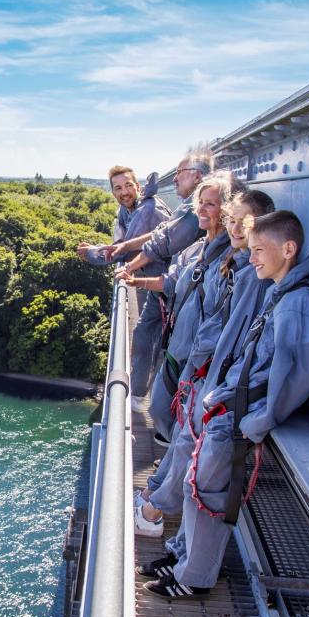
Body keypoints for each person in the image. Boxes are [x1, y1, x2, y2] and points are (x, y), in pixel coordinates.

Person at [142, 212, 309, 600]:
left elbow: (305, 370)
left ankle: (193, 578)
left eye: (260, 250)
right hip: (230, 406)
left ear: (289, 249)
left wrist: (263, 418)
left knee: (206, 493)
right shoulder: (282, 292)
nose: (255, 258)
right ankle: (182, 555)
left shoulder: (296, 302)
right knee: (196, 484)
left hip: (239, 415)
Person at [133, 189, 275, 539]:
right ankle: (154, 494)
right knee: (183, 437)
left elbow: (230, 329)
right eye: (234, 219)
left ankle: (155, 511)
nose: (237, 227)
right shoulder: (219, 256)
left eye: (245, 221)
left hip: (212, 376)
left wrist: (208, 373)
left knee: (191, 446)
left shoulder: (245, 271)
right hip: (199, 369)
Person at [117, 174, 239, 444]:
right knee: (163, 410)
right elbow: (169, 282)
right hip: (177, 349)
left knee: (182, 421)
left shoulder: (231, 261)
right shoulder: (195, 250)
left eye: (211, 204)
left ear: (227, 210)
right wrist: (135, 279)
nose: (202, 209)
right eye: (201, 202)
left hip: (198, 361)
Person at [107, 147, 212, 409]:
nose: (174, 179)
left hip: (176, 285)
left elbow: (162, 240)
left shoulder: (181, 209)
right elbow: (161, 233)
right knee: (151, 336)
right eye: (117, 188)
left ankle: (147, 401)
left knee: (154, 338)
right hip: (173, 281)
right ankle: (145, 397)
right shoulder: (185, 207)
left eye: (180, 174)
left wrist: (128, 265)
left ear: (197, 176)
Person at [76, 166, 170, 277]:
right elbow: (121, 243)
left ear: (138, 187)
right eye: (118, 188)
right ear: (113, 193)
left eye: (129, 185)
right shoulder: (124, 209)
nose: (124, 192)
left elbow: (127, 252)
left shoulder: (147, 209)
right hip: (150, 275)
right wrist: (96, 247)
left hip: (164, 279)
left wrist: (92, 253)